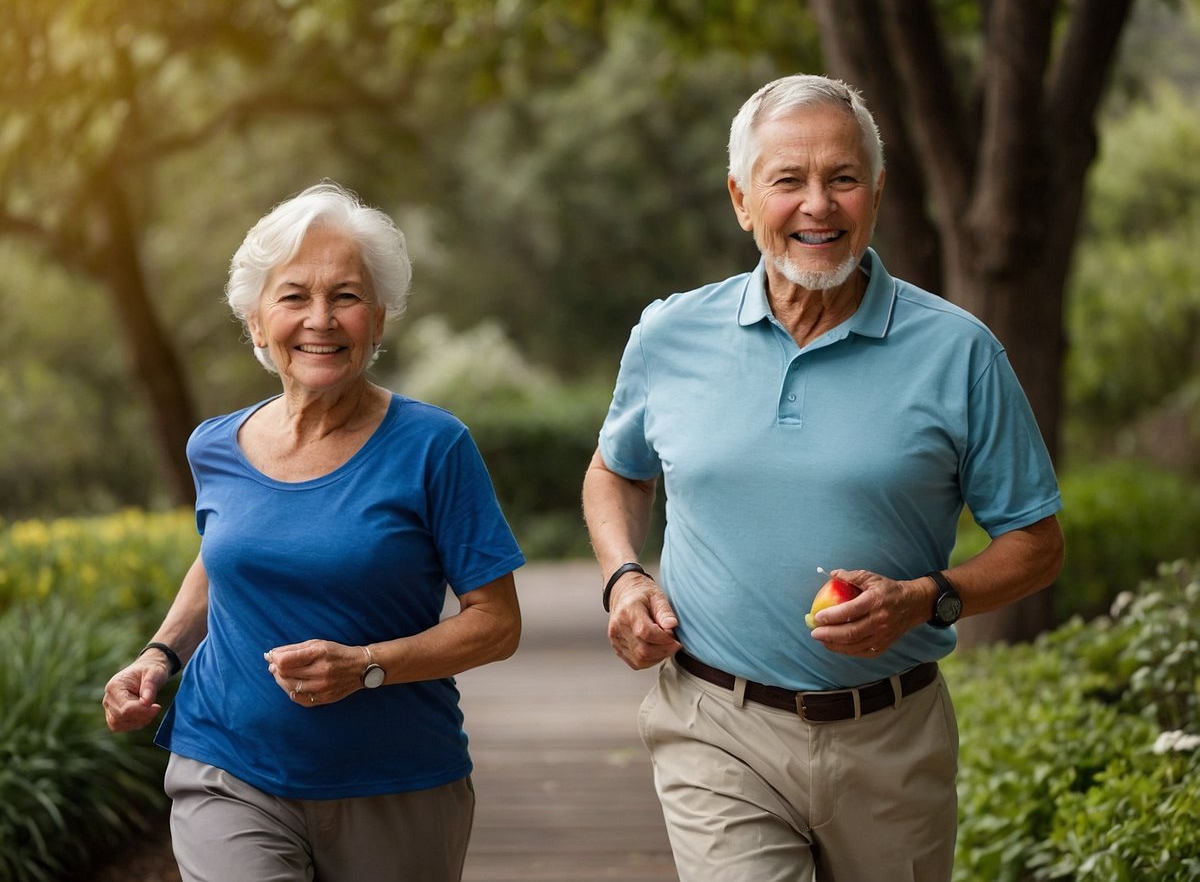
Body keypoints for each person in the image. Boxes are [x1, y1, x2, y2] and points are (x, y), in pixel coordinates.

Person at [582, 74, 1064, 881]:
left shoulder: (959, 351)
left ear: (875, 194)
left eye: (842, 179)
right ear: (741, 198)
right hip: (715, 725)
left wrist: (925, 597)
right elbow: (615, 472)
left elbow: (1037, 543)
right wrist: (624, 577)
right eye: (788, 181)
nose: (818, 205)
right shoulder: (669, 335)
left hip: (892, 738)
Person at [102, 181, 525, 882]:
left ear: (380, 319)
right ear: (256, 320)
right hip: (228, 766)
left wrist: (366, 666)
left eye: (347, 297)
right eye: (294, 296)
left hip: (397, 783)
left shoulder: (434, 447)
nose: (320, 320)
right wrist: (158, 655)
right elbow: (223, 559)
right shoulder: (214, 446)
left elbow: (497, 624)